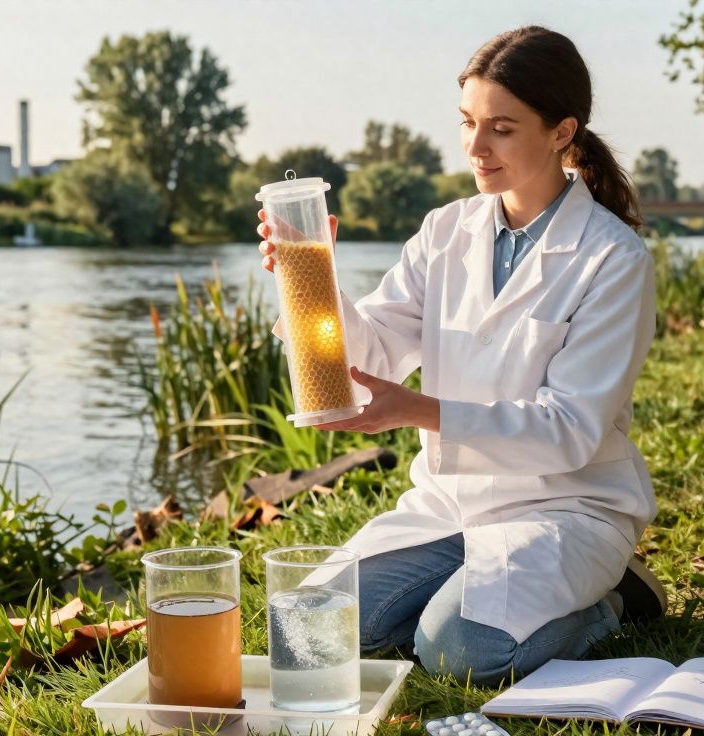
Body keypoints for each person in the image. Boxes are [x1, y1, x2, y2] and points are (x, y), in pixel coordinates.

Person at [257, 26, 665, 684]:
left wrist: (421, 411)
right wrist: (312, 282)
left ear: (562, 132)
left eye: (501, 128)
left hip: (564, 508)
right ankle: (458, 593)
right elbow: (373, 357)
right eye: (468, 123)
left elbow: (571, 430)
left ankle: (611, 601)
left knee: (456, 651)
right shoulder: (445, 231)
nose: (476, 148)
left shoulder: (612, 258)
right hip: (451, 505)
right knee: (305, 631)